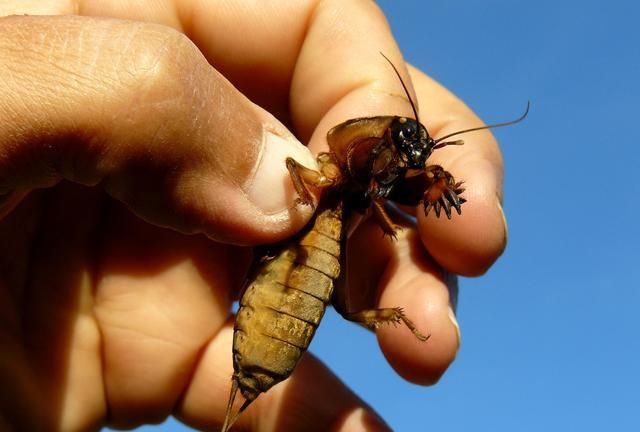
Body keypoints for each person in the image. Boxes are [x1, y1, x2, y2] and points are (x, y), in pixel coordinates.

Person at [0, 2, 507, 431]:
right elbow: (305, 162)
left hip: (308, 269)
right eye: (397, 143)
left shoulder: (382, 185)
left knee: (350, 306)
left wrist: (437, 180)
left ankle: (389, 321)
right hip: (291, 265)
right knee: (349, 299)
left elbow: (389, 195)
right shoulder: (343, 157)